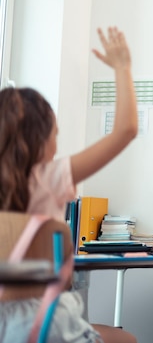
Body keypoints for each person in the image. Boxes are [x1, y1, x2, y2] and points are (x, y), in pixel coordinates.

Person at [0, 27, 138, 343]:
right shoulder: (48, 177)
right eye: (56, 135)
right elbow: (126, 129)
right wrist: (122, 67)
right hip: (47, 325)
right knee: (127, 339)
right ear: (40, 139)